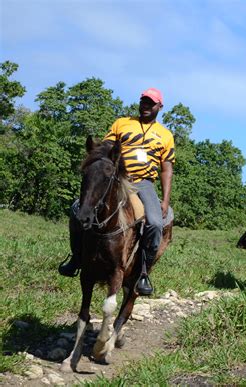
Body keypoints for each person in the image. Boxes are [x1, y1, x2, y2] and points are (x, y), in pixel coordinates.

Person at [59, 87, 175, 296]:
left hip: (143, 183)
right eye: (144, 101)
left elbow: (166, 170)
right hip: (116, 178)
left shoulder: (165, 135)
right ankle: (76, 258)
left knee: (156, 223)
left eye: (151, 103)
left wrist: (165, 200)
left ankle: (143, 273)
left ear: (160, 106)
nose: (146, 106)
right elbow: (104, 151)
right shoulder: (122, 124)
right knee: (77, 209)